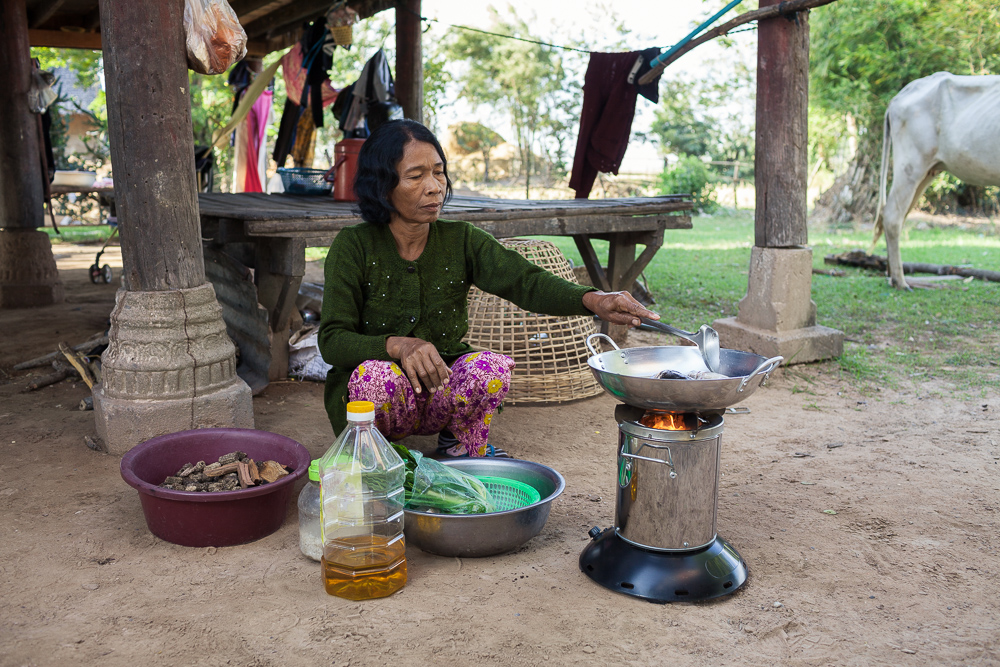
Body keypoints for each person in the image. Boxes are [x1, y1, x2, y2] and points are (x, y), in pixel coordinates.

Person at [318, 119, 658, 457]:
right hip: (382, 396)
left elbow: (524, 280)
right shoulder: (353, 247)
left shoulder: (461, 239)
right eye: (416, 176)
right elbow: (332, 341)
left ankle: (457, 445)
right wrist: (398, 346)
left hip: (440, 387)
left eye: (438, 172)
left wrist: (593, 299)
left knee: (488, 368)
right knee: (374, 376)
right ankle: (377, 454)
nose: (435, 186)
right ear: (382, 185)